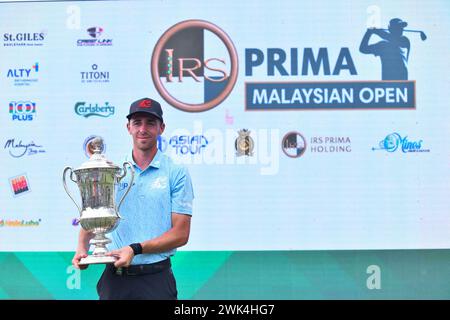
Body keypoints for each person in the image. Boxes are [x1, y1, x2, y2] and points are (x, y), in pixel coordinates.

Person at [72, 97, 194, 300]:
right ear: (128, 127)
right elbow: (97, 213)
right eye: (137, 123)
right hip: (115, 280)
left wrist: (135, 249)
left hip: (156, 279)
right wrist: (82, 247)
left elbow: (181, 234)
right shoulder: (112, 170)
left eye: (150, 123)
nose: (142, 129)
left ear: (161, 128)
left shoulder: (176, 172)